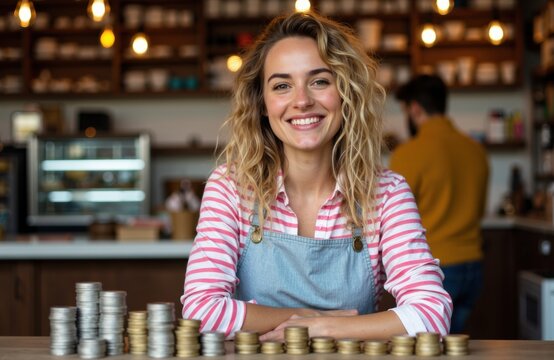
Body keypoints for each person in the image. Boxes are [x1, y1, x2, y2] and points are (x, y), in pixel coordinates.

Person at [181, 12, 452, 341]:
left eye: (320, 81)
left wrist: (320, 327)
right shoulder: (231, 188)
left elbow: (431, 314)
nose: (302, 100)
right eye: (282, 85)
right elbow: (200, 310)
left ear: (344, 92)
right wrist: (302, 317)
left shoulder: (387, 193)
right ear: (263, 103)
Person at [389, 74, 489, 333]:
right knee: (455, 341)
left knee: (433, 347)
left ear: (414, 108)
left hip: (436, 271)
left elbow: (396, 221)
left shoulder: (409, 154)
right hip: (474, 266)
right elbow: (479, 210)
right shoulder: (475, 150)